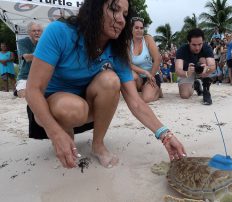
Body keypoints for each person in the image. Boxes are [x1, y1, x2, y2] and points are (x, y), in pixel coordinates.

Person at [25, 0, 186, 169]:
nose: (121, 20)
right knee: (72, 107)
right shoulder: (59, 32)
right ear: (94, 8)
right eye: (114, 9)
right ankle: (64, 136)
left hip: (87, 106)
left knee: (110, 80)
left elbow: (136, 102)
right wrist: (54, 132)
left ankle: (98, 145)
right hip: (49, 109)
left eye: (125, 15)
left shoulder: (116, 50)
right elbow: (33, 90)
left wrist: (165, 135)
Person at [175, 28, 216, 105]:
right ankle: (196, 85)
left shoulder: (207, 48)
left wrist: (207, 68)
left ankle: (206, 89)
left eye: (200, 44)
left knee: (203, 59)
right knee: (185, 95)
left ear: (203, 42)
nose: (197, 48)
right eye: (194, 45)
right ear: (188, 42)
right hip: (187, 72)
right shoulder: (182, 49)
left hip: (203, 71)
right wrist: (187, 73)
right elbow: (178, 70)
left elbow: (213, 66)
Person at [130, 17, 162, 103]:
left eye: (141, 28)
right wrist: (145, 72)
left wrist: (151, 75)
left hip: (153, 74)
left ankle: (156, 91)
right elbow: (128, 64)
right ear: (131, 29)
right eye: (136, 28)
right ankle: (146, 90)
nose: (139, 30)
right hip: (139, 77)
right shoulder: (127, 43)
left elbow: (158, 59)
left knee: (146, 99)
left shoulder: (147, 39)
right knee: (131, 75)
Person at [16, 21, 43, 98]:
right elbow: (27, 58)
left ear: (42, 32)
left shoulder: (44, 41)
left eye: (39, 31)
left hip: (41, 76)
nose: (36, 33)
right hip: (25, 76)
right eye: (34, 31)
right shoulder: (23, 42)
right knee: (23, 95)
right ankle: (18, 88)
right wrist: (44, 53)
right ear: (28, 32)